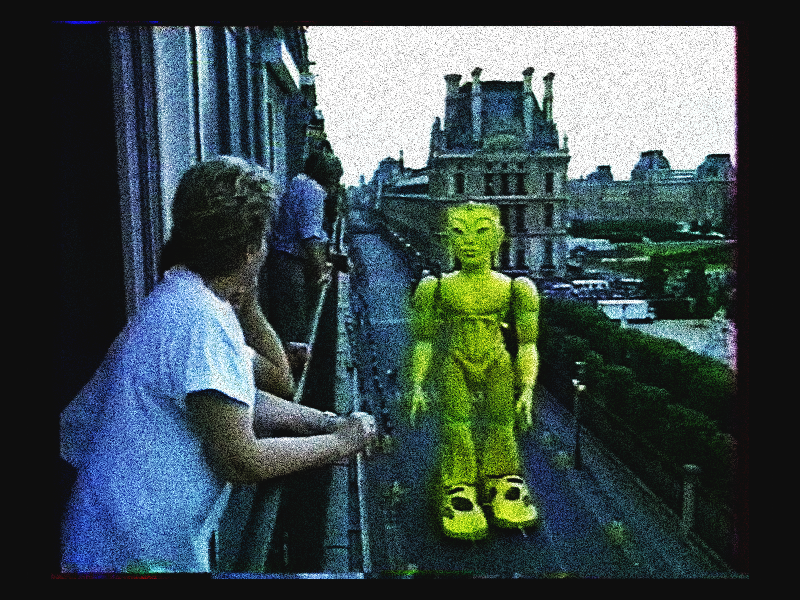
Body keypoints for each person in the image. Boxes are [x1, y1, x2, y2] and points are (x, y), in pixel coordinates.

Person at [60, 156, 376, 573]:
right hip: (131, 556)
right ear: (249, 250)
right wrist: (341, 443)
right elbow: (241, 459)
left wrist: (324, 422)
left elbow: (242, 398)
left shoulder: (185, 297)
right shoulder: (202, 322)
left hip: (116, 541)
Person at [408, 202, 539, 541]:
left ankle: (501, 476)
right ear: (448, 239)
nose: (469, 241)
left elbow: (528, 344)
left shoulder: (515, 288)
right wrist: (418, 384)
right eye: (459, 232)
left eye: (481, 231)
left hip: (497, 359)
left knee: (502, 422)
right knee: (456, 423)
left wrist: (527, 388)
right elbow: (424, 340)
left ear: (498, 237)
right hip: (454, 359)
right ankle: (459, 482)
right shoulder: (436, 287)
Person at [264, 149, 343, 345]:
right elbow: (310, 237)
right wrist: (320, 272)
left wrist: (329, 255)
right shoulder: (315, 191)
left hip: (278, 258)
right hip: (290, 264)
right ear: (329, 177)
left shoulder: (298, 182)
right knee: (294, 324)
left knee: (282, 321)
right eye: (336, 180)